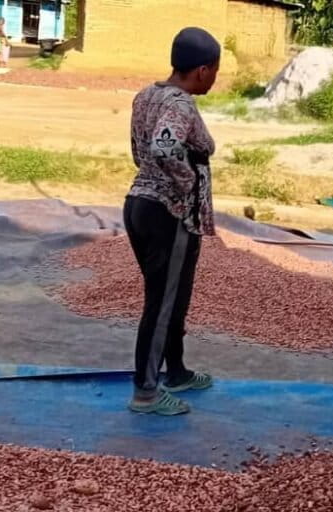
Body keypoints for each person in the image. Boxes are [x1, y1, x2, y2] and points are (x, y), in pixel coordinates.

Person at [124, 27, 221, 416]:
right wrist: (186, 183)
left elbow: (139, 151)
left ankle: (176, 372)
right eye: (215, 71)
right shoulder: (180, 104)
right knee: (161, 306)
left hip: (139, 204)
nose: (214, 78)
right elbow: (163, 147)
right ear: (202, 70)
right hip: (168, 212)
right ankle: (146, 392)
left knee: (173, 298)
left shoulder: (147, 95)